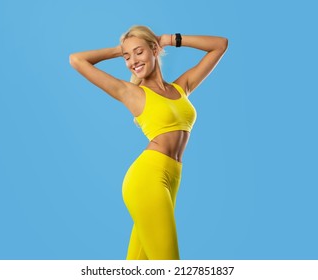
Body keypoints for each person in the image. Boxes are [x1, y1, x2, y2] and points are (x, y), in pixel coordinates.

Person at [69, 25, 228, 260]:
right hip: (147, 179)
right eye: (127, 57)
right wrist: (119, 49)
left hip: (172, 178)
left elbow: (219, 45)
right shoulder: (131, 93)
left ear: (154, 49)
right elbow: (77, 60)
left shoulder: (180, 87)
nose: (132, 60)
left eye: (138, 52)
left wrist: (169, 39)